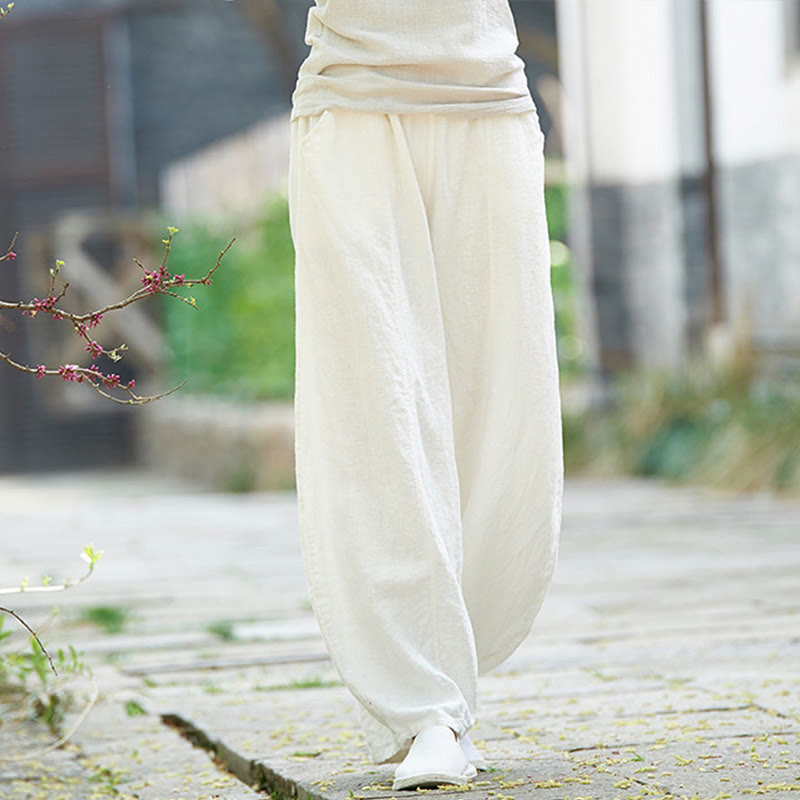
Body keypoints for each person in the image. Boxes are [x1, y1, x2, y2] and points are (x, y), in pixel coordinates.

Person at [286, 0, 564, 791]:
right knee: (373, 400)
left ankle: (446, 670)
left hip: (486, 100)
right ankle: (426, 706)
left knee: (498, 397)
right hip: (351, 102)